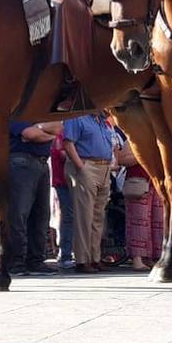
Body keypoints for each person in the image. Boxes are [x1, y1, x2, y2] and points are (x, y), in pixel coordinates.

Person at [62, 110, 116, 272]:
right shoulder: (77, 118)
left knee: (98, 216)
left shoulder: (102, 122)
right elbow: (68, 142)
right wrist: (80, 166)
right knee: (84, 216)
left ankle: (95, 258)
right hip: (87, 165)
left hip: (104, 167)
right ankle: (82, 260)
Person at [7, 119, 60, 277]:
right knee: (19, 213)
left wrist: (40, 130)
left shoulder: (41, 113)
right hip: (21, 161)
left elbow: (58, 128)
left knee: (41, 214)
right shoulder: (17, 112)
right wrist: (47, 133)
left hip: (42, 162)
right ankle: (16, 261)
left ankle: (36, 260)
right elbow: (29, 134)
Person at [117, 128, 162, 273]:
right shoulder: (133, 139)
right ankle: (137, 258)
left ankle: (152, 257)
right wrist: (142, 156)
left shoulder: (159, 140)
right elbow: (122, 159)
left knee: (157, 222)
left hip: (155, 184)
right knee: (138, 220)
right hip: (138, 182)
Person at [50, 130, 75, 271]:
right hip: (63, 182)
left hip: (72, 181)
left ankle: (72, 253)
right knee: (68, 217)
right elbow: (64, 155)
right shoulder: (60, 135)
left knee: (73, 217)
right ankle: (65, 255)